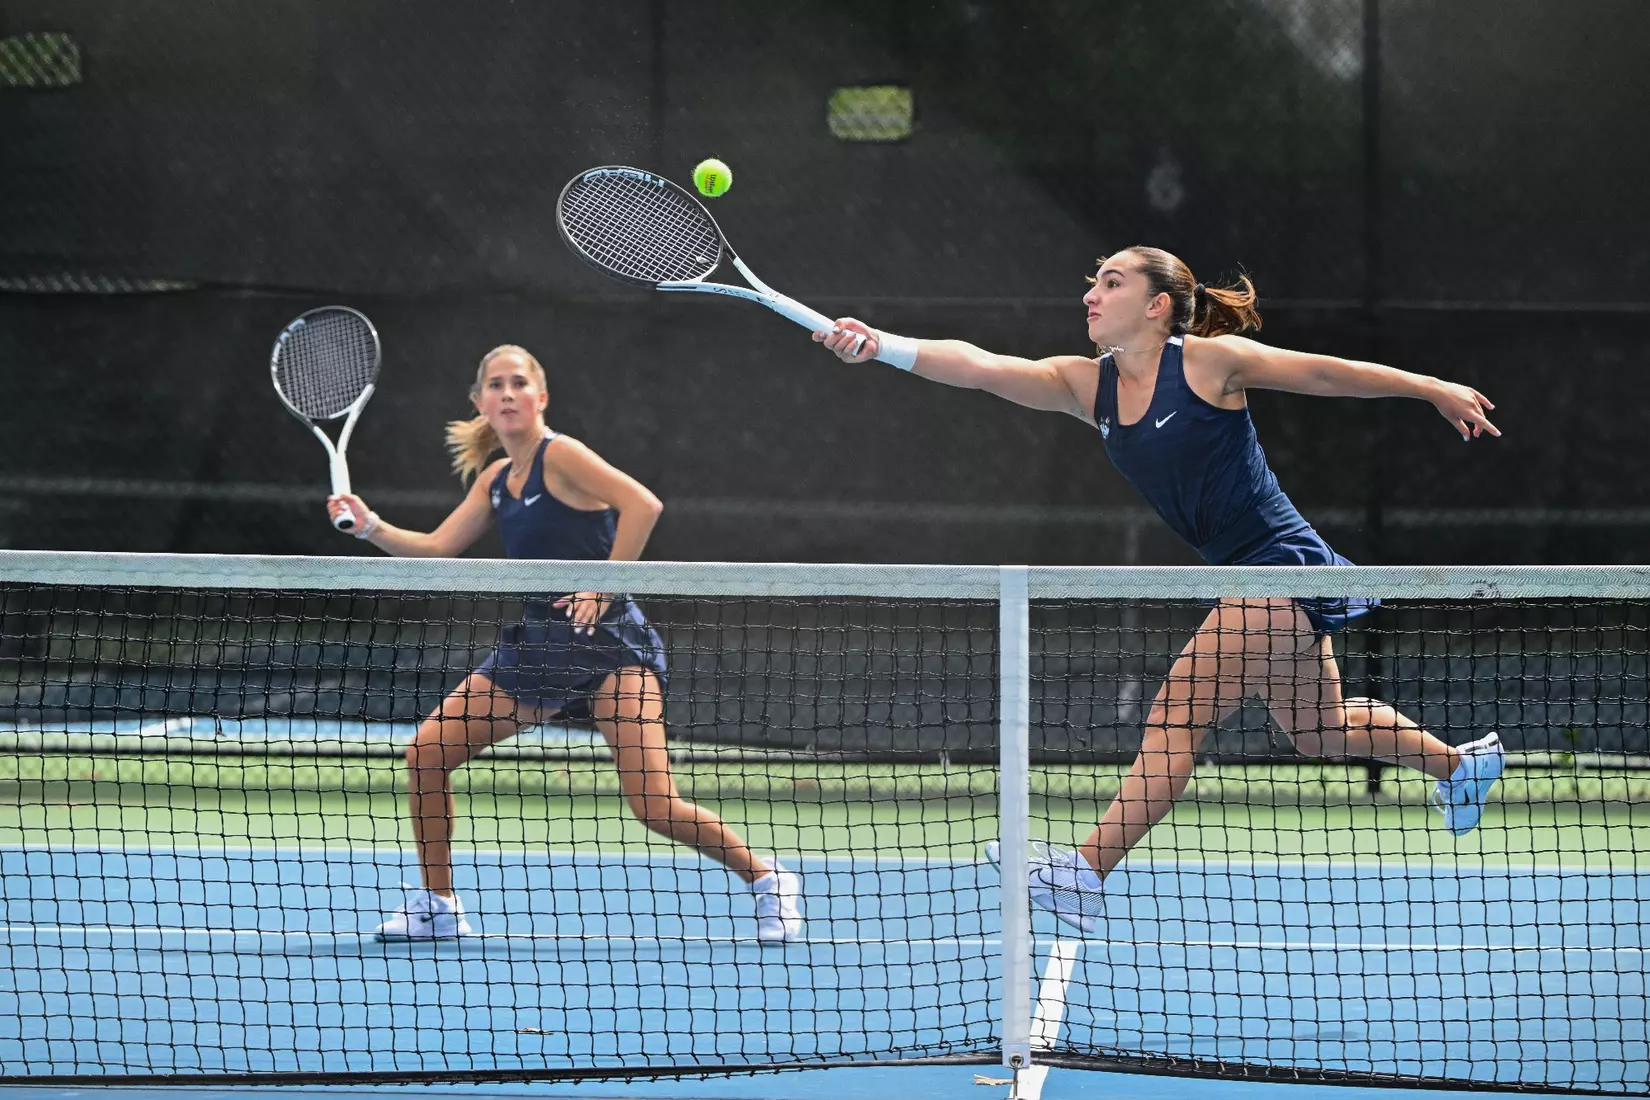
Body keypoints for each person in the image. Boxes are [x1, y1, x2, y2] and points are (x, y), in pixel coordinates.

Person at [814, 246, 1505, 934]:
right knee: (1320, 731)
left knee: (1176, 718)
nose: (1091, 295)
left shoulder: (1207, 363)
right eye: (1092, 282)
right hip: (1253, 575)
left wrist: (1429, 387)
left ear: (1156, 306)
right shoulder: (1088, 386)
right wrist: (881, 346)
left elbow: (1327, 373)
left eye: (1111, 282)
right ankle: (1460, 767)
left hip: (1280, 565)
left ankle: (1084, 874)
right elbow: (980, 367)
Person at [329, 344, 803, 943]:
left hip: (611, 651)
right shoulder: (497, 479)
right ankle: (436, 905)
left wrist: (603, 587)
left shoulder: (564, 455)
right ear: (479, 403)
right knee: (427, 754)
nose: (507, 393)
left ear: (540, 397)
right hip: (538, 650)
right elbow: (437, 550)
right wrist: (369, 525)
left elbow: (643, 505)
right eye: (495, 385)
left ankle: (766, 880)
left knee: (654, 806)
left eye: (519, 383)